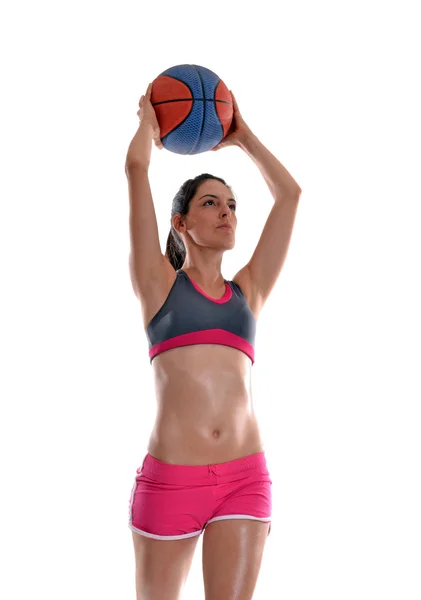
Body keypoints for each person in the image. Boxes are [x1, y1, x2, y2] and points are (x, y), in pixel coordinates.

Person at [125, 82, 302, 599]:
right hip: (171, 482)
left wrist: (243, 136)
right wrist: (147, 124)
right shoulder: (158, 287)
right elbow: (136, 171)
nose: (227, 212)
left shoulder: (248, 293)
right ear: (181, 223)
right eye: (211, 203)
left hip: (245, 478)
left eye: (231, 203)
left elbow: (290, 195)